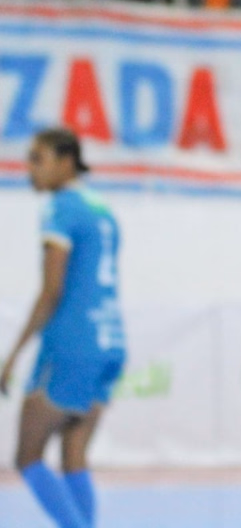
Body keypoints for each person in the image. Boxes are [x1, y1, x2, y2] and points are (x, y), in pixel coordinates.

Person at [0, 128, 126, 528]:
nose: (30, 169)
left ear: (66, 161)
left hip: (72, 344)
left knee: (27, 457)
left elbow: (52, 290)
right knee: (74, 456)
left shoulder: (61, 209)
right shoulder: (100, 207)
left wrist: (13, 354)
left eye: (39, 159)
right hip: (110, 341)